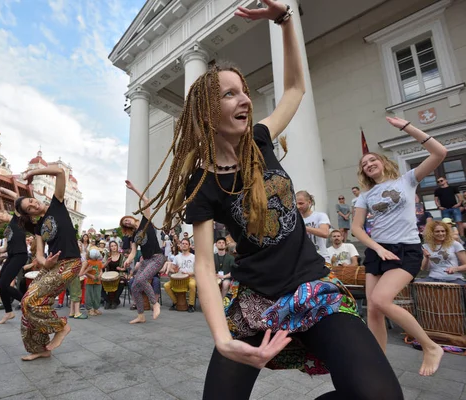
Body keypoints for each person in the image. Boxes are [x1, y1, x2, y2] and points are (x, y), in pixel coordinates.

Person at [134, 3, 404, 399]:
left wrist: (284, 21)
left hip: (313, 288)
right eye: (230, 94)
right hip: (254, 301)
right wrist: (223, 338)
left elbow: (294, 88)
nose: (245, 99)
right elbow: (206, 265)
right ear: (209, 112)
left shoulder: (260, 139)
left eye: (244, 91)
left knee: (378, 395)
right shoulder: (203, 182)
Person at [352, 116, 447, 377]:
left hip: (405, 250)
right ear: (363, 172)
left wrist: (406, 127)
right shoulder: (365, 195)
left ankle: (430, 346)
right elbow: (356, 228)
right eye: (365, 164)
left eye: (373, 160)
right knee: (372, 308)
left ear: (383, 162)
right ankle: (378, 364)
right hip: (377, 251)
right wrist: (377, 248)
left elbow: (440, 152)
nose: (369, 164)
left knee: (382, 300)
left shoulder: (407, 180)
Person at [15, 164, 82, 361]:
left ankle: (61, 327)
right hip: (52, 266)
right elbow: (39, 255)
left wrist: (32, 173)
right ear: (30, 215)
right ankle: (40, 348)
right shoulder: (38, 228)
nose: (33, 205)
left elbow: (61, 172)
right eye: (29, 208)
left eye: (31, 201)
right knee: (27, 305)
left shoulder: (57, 205)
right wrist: (46, 262)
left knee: (30, 300)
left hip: (70, 263)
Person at [120, 180, 164, 324]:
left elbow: (146, 200)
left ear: (132, 218)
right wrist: (128, 260)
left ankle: (155, 303)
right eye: (125, 223)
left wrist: (133, 188)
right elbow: (133, 252)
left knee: (140, 279)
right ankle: (141, 316)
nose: (127, 222)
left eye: (127, 220)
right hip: (145, 261)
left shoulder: (146, 220)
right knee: (135, 287)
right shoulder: (133, 236)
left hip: (157, 258)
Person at [0, 187, 31, 324]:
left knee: (4, 284)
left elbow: (16, 196)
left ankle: (27, 303)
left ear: (3, 212)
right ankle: (9, 312)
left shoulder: (17, 218)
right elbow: (6, 247)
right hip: (11, 256)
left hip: (20, 255)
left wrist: (1, 189)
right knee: (1, 286)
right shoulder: (7, 230)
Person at [420, 221, 466, 285]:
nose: (441, 233)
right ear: (431, 233)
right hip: (433, 278)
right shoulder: (425, 247)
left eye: (443, 231)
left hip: (454, 279)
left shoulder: (455, 244)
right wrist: (426, 258)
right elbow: (424, 269)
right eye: (437, 231)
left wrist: (456, 268)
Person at [296, 190, 331, 262]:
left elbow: (325, 233)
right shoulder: (295, 219)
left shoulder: (320, 215)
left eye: (301, 203)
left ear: (309, 202)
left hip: (321, 257)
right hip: (303, 260)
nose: (298, 206)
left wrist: (304, 228)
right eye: (296, 204)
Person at [164, 238, 197, 312]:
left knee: (192, 285)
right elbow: (173, 269)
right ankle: (176, 302)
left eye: (186, 244)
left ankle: (191, 305)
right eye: (183, 243)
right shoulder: (177, 257)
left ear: (189, 246)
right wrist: (173, 270)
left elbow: (197, 271)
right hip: (178, 278)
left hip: (190, 278)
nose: (184, 245)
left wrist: (189, 273)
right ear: (180, 245)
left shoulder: (193, 257)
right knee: (166, 286)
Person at [103, 240, 127, 309]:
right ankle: (107, 300)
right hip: (108, 275)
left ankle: (115, 300)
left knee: (122, 281)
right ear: (110, 247)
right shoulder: (107, 255)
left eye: (115, 245)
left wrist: (121, 269)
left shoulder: (122, 256)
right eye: (112, 246)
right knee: (99, 282)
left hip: (119, 274)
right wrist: (107, 262)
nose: (113, 247)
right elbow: (103, 266)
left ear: (117, 246)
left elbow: (126, 268)